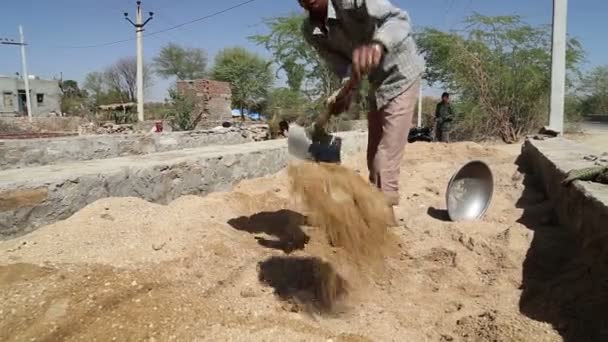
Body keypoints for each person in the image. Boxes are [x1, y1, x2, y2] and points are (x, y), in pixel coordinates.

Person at [299, 0, 425, 214]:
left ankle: (380, 223)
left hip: (402, 72)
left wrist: (378, 44)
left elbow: (399, 19)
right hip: (377, 83)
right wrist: (346, 92)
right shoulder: (310, 30)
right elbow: (343, 66)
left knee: (384, 159)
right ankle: (378, 215)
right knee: (373, 154)